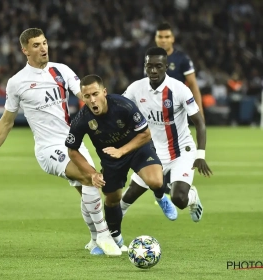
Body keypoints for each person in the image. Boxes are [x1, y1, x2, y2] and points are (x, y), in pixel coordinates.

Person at [0, 28, 120, 256]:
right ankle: (104, 236)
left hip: (72, 142)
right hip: (48, 148)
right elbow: (7, 121)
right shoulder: (17, 82)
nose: (43, 48)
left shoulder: (61, 71)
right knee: (89, 177)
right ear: (25, 50)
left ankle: (93, 239)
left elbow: (86, 96)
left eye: (45, 43)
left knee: (88, 189)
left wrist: (110, 109)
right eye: (37, 45)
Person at [65, 74, 178, 250]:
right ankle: (116, 237)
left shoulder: (123, 105)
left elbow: (145, 134)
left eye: (95, 94)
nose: (92, 100)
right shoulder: (82, 119)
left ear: (104, 92)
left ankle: (161, 197)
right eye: (87, 96)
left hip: (137, 148)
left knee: (156, 181)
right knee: (112, 199)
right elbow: (72, 150)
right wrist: (92, 173)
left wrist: (122, 151)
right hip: (111, 158)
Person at [120, 47, 212, 222]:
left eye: (158, 66)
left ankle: (192, 197)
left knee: (179, 199)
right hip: (152, 153)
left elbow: (199, 123)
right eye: (149, 66)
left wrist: (200, 155)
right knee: (129, 196)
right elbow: (119, 109)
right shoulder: (136, 88)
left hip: (180, 152)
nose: (153, 71)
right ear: (145, 66)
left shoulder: (179, 90)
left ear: (166, 66)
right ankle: (109, 233)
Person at [149, 22, 206, 199]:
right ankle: (169, 192)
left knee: (173, 152)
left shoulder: (182, 59)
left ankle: (179, 190)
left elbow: (194, 85)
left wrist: (199, 112)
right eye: (160, 37)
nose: (164, 40)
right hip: (156, 117)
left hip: (176, 114)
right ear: (155, 38)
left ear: (172, 38)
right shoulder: (150, 58)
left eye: (167, 37)